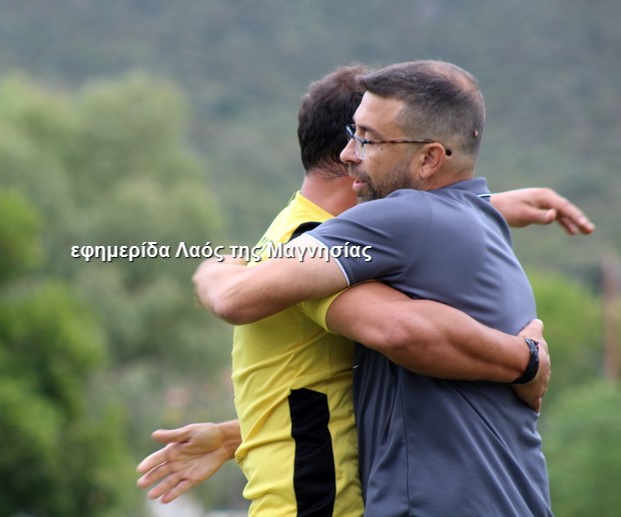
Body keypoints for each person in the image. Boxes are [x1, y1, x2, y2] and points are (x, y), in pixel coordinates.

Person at [139, 64, 594, 516]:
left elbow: (391, 322)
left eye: (365, 139)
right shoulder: (320, 246)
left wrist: (215, 269)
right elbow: (394, 332)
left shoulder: (303, 239)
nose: (352, 151)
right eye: (353, 136)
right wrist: (527, 361)